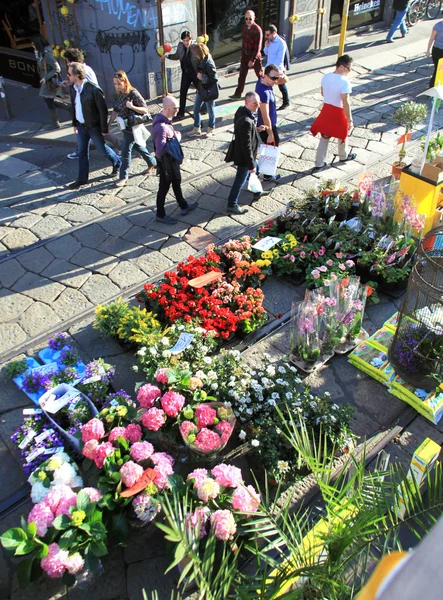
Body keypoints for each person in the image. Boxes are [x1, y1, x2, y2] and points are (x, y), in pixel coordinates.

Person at [67, 62, 121, 189]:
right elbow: (74, 107)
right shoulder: (73, 89)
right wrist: (75, 123)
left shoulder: (94, 89)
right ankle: (82, 179)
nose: (68, 76)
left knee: (102, 149)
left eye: (69, 74)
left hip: (93, 126)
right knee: (82, 152)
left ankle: (117, 162)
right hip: (81, 126)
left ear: (76, 75)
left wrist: (104, 128)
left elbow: (102, 111)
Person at [152, 96, 198, 224]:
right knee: (164, 188)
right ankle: (160, 214)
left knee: (177, 181)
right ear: (166, 108)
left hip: (171, 163)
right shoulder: (161, 127)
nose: (177, 110)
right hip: (167, 164)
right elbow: (160, 150)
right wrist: (175, 139)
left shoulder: (162, 120)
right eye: (175, 108)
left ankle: (183, 206)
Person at [107, 71, 156, 188]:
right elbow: (115, 110)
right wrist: (108, 124)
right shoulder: (117, 94)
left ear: (125, 82)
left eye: (119, 84)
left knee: (125, 152)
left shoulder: (133, 93)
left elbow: (145, 110)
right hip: (124, 126)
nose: (117, 86)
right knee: (137, 146)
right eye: (115, 84)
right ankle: (153, 162)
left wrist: (132, 107)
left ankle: (123, 177)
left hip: (133, 126)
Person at [310, 54, 356, 173]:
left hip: (327, 109)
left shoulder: (326, 77)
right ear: (341, 67)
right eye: (348, 69)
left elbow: (323, 93)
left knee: (324, 136)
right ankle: (343, 156)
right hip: (339, 111)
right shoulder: (345, 82)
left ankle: (319, 163)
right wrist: (350, 119)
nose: (349, 72)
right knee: (343, 134)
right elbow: (346, 102)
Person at [226, 92, 269, 215]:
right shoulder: (246, 121)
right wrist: (251, 165)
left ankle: (257, 192)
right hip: (245, 157)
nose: (258, 106)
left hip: (246, 155)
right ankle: (232, 204)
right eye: (255, 103)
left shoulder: (242, 111)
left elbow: (246, 133)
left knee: (256, 171)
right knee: (240, 179)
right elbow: (246, 146)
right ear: (247, 103)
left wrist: (256, 129)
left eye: (259, 103)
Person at [63, 48, 99, 159]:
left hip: (88, 108)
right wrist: (70, 83)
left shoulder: (85, 71)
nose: (67, 64)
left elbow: (91, 87)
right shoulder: (82, 70)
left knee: (99, 135)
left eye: (68, 62)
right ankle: (81, 151)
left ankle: (118, 147)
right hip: (83, 107)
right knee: (83, 131)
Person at [255, 64, 288, 181]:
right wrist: (270, 133)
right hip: (266, 126)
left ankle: (266, 172)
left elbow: (285, 80)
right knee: (271, 148)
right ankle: (268, 175)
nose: (276, 81)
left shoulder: (263, 81)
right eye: (274, 78)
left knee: (268, 149)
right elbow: (265, 115)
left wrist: (280, 75)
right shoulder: (263, 92)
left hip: (267, 124)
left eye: (277, 78)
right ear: (266, 76)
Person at [161, 31, 199, 120]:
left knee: (200, 90)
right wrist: (167, 56)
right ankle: (181, 112)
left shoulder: (195, 47)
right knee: (183, 92)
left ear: (191, 39)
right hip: (186, 73)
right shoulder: (180, 46)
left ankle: (204, 107)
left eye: (187, 40)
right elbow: (176, 56)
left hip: (195, 73)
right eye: (184, 41)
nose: (186, 43)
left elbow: (201, 58)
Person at [230, 10, 263, 99]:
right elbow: (244, 43)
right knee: (242, 75)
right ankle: (238, 94)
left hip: (254, 55)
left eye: (250, 19)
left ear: (254, 18)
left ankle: (264, 91)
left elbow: (258, 47)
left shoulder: (257, 30)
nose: (248, 21)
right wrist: (242, 55)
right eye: (246, 19)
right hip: (245, 54)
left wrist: (253, 59)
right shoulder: (244, 28)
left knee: (260, 75)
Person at [32, 34, 62, 129]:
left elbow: (57, 68)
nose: (32, 46)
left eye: (33, 44)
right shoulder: (40, 53)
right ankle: (68, 109)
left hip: (49, 81)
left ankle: (56, 123)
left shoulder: (47, 54)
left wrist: (45, 77)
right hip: (46, 80)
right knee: (49, 101)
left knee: (49, 101)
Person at [189, 43, 219, 137]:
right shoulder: (203, 60)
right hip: (201, 89)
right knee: (196, 108)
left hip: (208, 90)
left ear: (200, 53)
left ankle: (211, 128)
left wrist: (203, 78)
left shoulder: (208, 63)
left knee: (210, 110)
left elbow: (214, 78)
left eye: (196, 53)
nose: (195, 55)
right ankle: (196, 128)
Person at [263, 24, 290, 110]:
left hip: (277, 69)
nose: (267, 36)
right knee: (268, 86)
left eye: (268, 35)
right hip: (268, 68)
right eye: (266, 34)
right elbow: (266, 53)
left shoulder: (281, 43)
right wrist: (266, 46)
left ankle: (286, 102)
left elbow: (280, 59)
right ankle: (269, 103)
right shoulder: (269, 41)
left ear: (274, 33)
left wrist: (274, 71)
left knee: (282, 86)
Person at [427, 16, 443, 88]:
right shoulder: (438, 26)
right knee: (438, 69)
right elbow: (432, 38)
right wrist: (428, 50)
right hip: (438, 51)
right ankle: (432, 86)